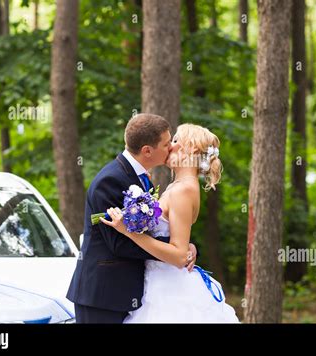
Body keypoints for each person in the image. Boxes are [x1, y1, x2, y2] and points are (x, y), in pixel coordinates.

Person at [66, 114, 198, 323]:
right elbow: (118, 243)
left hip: (129, 291)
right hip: (103, 295)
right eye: (166, 144)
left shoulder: (142, 179)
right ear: (147, 150)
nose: (171, 148)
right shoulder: (110, 180)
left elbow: (151, 230)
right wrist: (176, 251)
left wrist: (182, 246)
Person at [102, 123, 239, 323]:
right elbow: (178, 242)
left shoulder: (183, 190)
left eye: (175, 141)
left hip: (169, 289)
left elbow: (178, 255)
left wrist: (129, 232)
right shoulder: (179, 186)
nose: (169, 147)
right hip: (157, 281)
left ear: (190, 149)